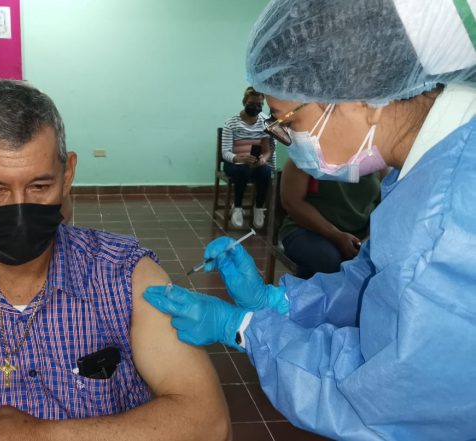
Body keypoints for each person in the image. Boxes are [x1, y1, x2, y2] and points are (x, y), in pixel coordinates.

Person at [144, 0, 476, 439]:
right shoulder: (431, 165)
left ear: (363, 98)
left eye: (288, 119)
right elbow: (374, 284)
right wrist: (278, 302)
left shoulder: (450, 219)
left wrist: (242, 328)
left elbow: (379, 399)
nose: (285, 138)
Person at [0, 80, 230, 441]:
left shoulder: (126, 276)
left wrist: (41, 435)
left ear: (67, 175)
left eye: (39, 186)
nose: (20, 209)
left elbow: (208, 424)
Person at [279, 160, 381, 279]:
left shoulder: (378, 157)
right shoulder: (306, 155)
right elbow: (293, 203)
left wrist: (370, 238)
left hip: (361, 235)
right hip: (309, 230)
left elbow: (385, 204)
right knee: (327, 261)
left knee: (382, 262)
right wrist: (337, 236)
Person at [220, 86, 273, 229]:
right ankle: (237, 207)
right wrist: (239, 158)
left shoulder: (265, 122)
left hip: (255, 163)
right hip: (234, 163)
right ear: (244, 102)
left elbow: (267, 150)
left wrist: (263, 159)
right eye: (251, 103)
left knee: (266, 171)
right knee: (242, 170)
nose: (255, 107)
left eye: (259, 104)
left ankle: (258, 207)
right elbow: (225, 153)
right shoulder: (231, 123)